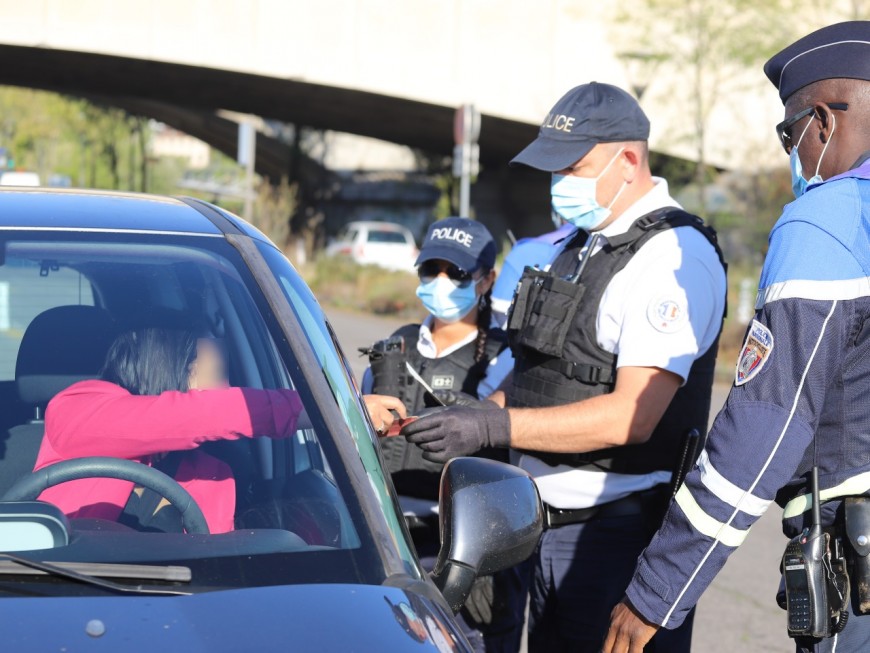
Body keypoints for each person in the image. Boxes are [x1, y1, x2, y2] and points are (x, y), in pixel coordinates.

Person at [401, 82, 727, 651]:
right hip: (545, 531)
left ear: (628, 161)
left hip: (618, 539)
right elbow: (536, 375)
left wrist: (494, 428)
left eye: (573, 168)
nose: (559, 184)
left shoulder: (673, 258)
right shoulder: (581, 247)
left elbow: (633, 416)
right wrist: (469, 418)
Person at [602, 21, 870, 653]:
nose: (793, 154)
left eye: (790, 133)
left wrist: (655, 592)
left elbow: (764, 428)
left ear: (823, 123)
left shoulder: (827, 223)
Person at [360, 216, 521, 653]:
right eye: (433, 269)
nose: (442, 281)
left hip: (462, 556)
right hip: (390, 546)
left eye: (458, 273)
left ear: (487, 280)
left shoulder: (509, 357)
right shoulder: (395, 345)